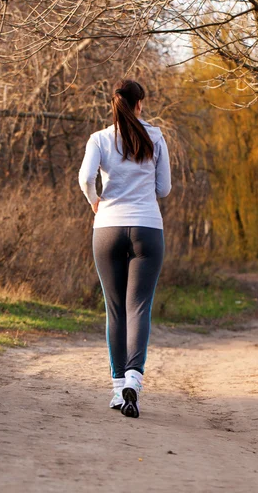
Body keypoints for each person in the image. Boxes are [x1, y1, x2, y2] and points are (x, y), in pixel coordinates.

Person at [78, 80, 172, 418]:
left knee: (115, 309)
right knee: (139, 308)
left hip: (107, 227)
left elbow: (85, 178)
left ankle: (119, 389)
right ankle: (134, 376)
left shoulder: (100, 139)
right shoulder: (155, 137)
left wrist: (95, 201)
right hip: (147, 228)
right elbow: (164, 188)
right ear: (139, 104)